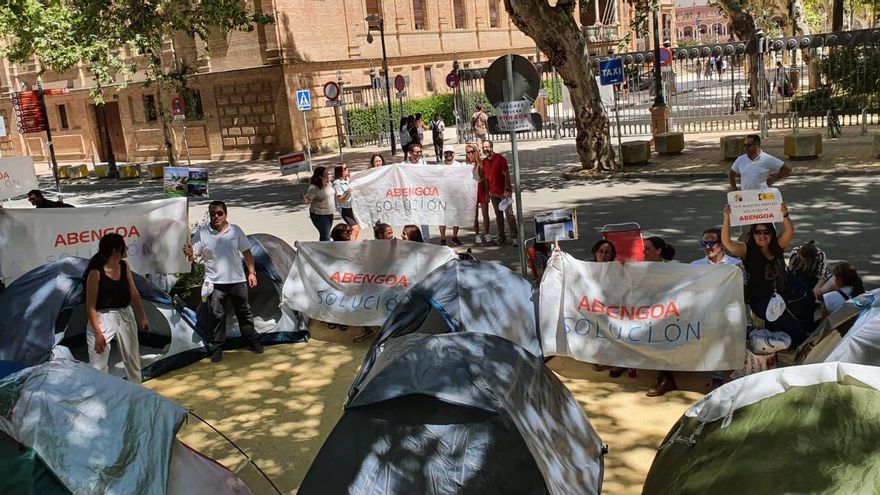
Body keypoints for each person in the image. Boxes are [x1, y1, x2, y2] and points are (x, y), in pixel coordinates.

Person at [722, 203, 813, 347]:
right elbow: (727, 243)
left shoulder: (777, 246)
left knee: (807, 305)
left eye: (766, 232)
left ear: (771, 233)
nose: (762, 235)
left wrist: (784, 215)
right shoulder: (747, 250)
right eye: (758, 232)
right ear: (753, 234)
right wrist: (726, 217)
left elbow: (789, 230)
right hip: (762, 300)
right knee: (797, 333)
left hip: (785, 294)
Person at [183, 201, 264, 363]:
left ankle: (252, 341)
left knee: (244, 313)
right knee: (216, 316)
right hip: (215, 283)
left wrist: (251, 272)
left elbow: (247, 252)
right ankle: (217, 348)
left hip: (237, 281)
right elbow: (193, 257)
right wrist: (190, 253)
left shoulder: (235, 231)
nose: (216, 216)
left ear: (226, 214)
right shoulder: (202, 234)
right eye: (213, 213)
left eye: (219, 213)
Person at [83, 233, 148, 383]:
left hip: (125, 314)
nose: (126, 248)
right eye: (123, 246)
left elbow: (134, 293)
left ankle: (137, 390)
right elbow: (90, 306)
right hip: (102, 318)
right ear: (115, 250)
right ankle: (103, 397)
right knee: (98, 364)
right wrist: (98, 333)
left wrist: (143, 316)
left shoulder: (124, 266)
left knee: (132, 358)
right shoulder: (95, 273)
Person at [643, 236, 678, 396]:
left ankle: (666, 378)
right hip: (646, 311)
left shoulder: (671, 268)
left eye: (648, 249)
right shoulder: (641, 268)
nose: (644, 251)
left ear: (659, 251)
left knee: (660, 328)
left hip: (668, 313)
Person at [482, 140, 517, 246]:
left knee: (509, 215)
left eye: (487, 147)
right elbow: (486, 179)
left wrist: (506, 190)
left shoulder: (500, 159)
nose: (485, 149)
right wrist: (487, 193)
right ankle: (501, 236)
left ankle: (514, 237)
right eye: (483, 148)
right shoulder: (484, 162)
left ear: (492, 147)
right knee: (498, 215)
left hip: (503, 193)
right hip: (493, 193)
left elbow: (506, 174)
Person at [728, 135, 792, 191]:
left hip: (761, 197)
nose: (746, 148)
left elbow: (786, 169)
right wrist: (735, 190)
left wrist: (772, 180)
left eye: (749, 145)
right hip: (746, 197)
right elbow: (731, 174)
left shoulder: (767, 159)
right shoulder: (740, 159)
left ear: (757, 145)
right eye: (744, 145)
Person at [465, 142, 491, 245]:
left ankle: (487, 233)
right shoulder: (466, 166)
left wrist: (487, 193)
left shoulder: (482, 164)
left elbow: (486, 180)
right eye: (468, 152)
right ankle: (477, 234)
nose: (470, 154)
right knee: (474, 214)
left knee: (485, 213)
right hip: (471, 190)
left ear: (476, 151)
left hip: (481, 188)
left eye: (472, 151)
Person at [301, 166, 336, 241]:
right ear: (320, 176)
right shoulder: (314, 188)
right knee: (326, 235)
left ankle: (323, 249)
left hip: (329, 212)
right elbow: (308, 201)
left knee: (325, 235)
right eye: (326, 173)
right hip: (319, 214)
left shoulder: (329, 184)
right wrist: (304, 199)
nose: (328, 175)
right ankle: (325, 250)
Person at [438, 144, 463, 246]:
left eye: (450, 153)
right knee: (442, 217)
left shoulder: (459, 166)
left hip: (455, 195)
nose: (448, 155)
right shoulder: (439, 166)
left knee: (455, 216)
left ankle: (454, 236)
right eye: (446, 153)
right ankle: (443, 238)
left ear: (454, 154)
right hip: (442, 195)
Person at [333, 164, 360, 240]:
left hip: (353, 208)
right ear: (340, 171)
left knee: (354, 230)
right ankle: (351, 247)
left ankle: (351, 243)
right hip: (346, 209)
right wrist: (348, 193)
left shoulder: (348, 179)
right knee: (355, 229)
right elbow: (340, 199)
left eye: (347, 167)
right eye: (345, 168)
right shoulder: (337, 183)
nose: (347, 169)